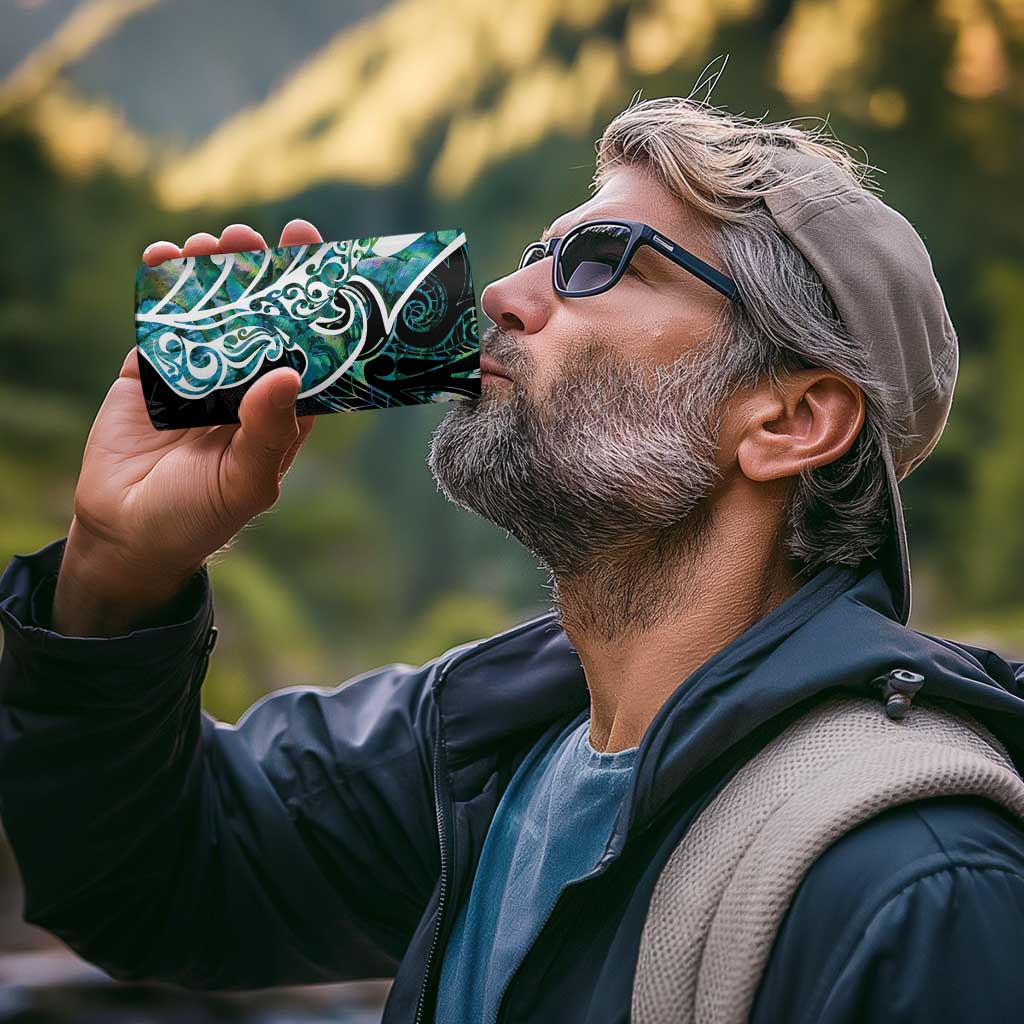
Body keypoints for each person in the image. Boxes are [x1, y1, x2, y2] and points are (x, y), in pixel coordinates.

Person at [2, 94, 1024, 1024]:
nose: (500, 291)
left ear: (790, 419)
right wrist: (116, 571)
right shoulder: (480, 748)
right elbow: (149, 880)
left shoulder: (918, 884)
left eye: (599, 262)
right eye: (539, 252)